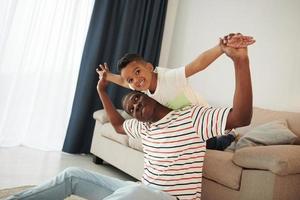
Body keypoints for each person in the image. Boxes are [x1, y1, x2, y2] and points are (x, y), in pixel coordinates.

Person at [8, 36, 252, 200]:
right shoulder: (145, 128)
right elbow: (117, 124)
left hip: (170, 198)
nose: (133, 105)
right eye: (130, 107)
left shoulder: (189, 115)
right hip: (142, 192)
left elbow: (241, 116)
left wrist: (239, 61)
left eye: (135, 99)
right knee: (72, 174)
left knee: (134, 191)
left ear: (149, 93)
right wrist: (102, 90)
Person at [96, 33, 255, 150]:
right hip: (180, 123)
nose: (135, 81)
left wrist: (220, 48)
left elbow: (197, 65)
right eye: (131, 80)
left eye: (137, 72)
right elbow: (123, 81)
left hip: (200, 118)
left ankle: (230, 135)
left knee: (212, 144)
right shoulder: (139, 86)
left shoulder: (170, 78)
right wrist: (107, 77)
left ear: (149, 67)